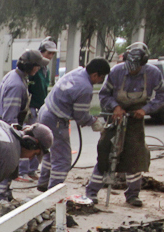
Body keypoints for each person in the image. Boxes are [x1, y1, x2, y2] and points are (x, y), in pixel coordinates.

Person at [83, 42, 164, 207]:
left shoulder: (153, 73)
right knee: (105, 152)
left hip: (136, 118)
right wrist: (115, 106)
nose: (131, 71)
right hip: (115, 117)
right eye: (129, 67)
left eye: (135, 69)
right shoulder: (116, 72)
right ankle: (92, 192)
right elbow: (104, 95)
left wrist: (146, 109)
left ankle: (132, 195)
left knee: (135, 155)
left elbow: (163, 96)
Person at [36, 58, 111, 192]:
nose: (100, 81)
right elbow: (80, 115)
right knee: (62, 160)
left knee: (49, 151)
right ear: (95, 75)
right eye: (101, 78)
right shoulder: (85, 88)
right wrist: (93, 122)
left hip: (46, 110)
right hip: (56, 119)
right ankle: (52, 194)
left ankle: (43, 183)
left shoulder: (78, 71)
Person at [0, 49, 45, 203]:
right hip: (7, 129)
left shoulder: (15, 77)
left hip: (5, 126)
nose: (39, 69)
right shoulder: (16, 85)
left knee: (10, 168)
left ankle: (5, 195)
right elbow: (10, 116)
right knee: (7, 167)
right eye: (38, 66)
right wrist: (17, 137)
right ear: (31, 67)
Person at [18, 38, 59, 181]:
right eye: (49, 53)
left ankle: (32, 170)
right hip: (33, 107)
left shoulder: (45, 69)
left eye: (53, 54)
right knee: (28, 141)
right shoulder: (29, 74)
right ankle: (22, 171)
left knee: (38, 142)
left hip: (41, 106)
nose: (51, 56)